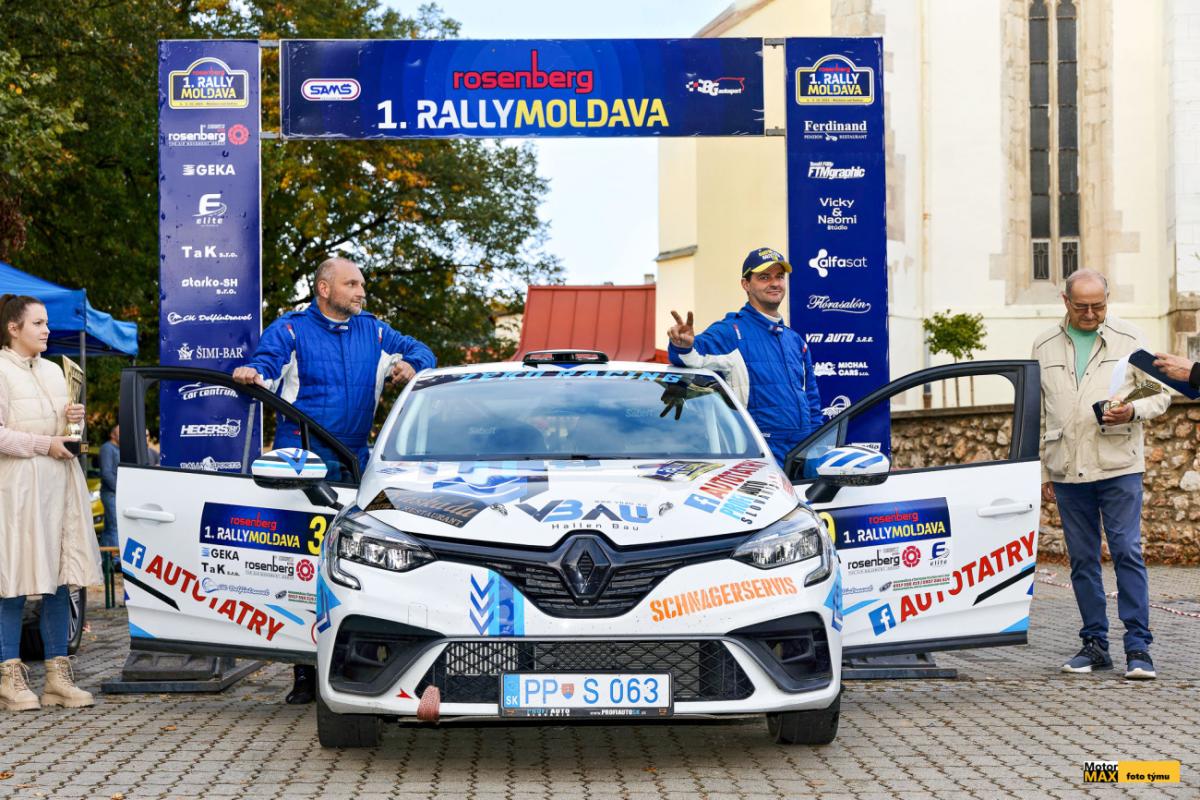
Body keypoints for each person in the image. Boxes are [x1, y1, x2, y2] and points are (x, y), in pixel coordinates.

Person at [232, 257, 436, 704]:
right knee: (301, 566)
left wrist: (411, 365)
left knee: (362, 562)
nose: (362, 291)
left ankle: (364, 663)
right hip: (300, 463)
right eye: (352, 284)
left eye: (362, 284)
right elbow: (265, 367)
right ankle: (304, 671)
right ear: (324, 289)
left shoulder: (375, 332)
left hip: (356, 462)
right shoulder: (290, 330)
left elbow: (424, 352)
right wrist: (253, 374)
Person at [1032, 269, 1170, 680]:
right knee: (1082, 560)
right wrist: (1043, 470)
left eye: (1099, 305)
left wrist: (1131, 409)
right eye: (1082, 306)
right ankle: (1094, 645)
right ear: (1065, 301)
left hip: (1119, 464)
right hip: (1067, 469)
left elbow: (1158, 391)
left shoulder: (1131, 339)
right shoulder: (1043, 344)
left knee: (1127, 552)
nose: (1091, 313)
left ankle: (1138, 648)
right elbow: (1041, 412)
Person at [0, 294, 102, 712]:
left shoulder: (56, 371)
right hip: (18, 490)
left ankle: (57, 678)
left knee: (63, 577)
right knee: (14, 579)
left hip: (60, 487)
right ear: (13, 328)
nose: (46, 330)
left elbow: (65, 433)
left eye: (46, 323)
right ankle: (9, 677)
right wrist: (45, 444)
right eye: (38, 323)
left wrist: (73, 421)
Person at [666, 246, 822, 465]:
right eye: (764, 277)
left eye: (779, 276)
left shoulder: (795, 341)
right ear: (746, 284)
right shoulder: (729, 331)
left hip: (803, 453)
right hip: (757, 453)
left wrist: (816, 447)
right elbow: (692, 357)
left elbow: (812, 401)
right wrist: (681, 346)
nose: (775, 283)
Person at [98, 425, 119, 549]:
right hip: (111, 493)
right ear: (112, 435)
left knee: (109, 527)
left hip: (115, 493)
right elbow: (106, 473)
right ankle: (116, 557)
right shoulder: (107, 448)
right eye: (120, 432)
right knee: (115, 526)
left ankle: (104, 555)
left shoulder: (119, 449)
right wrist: (119, 489)